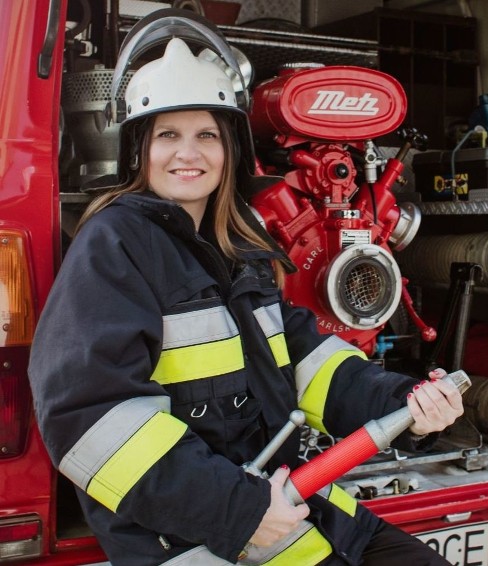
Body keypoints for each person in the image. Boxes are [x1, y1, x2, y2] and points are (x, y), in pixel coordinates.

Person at [28, 36, 463, 566]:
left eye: (206, 135)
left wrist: (405, 404)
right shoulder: (114, 245)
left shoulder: (239, 246)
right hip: (202, 539)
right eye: (169, 134)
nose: (188, 153)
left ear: (230, 149)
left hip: (295, 507)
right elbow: (89, 418)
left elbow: (304, 359)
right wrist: (238, 509)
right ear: (139, 149)